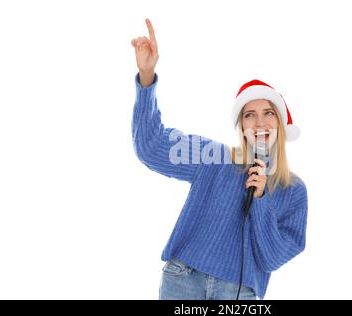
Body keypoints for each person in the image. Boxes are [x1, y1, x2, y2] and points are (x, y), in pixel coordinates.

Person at [130, 18, 308, 300]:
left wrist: (260, 199)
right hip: (183, 282)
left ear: (281, 126)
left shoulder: (293, 191)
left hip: (239, 293)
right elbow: (150, 147)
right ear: (242, 126)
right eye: (249, 115)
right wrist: (147, 77)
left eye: (268, 113)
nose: (259, 122)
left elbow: (273, 257)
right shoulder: (214, 158)